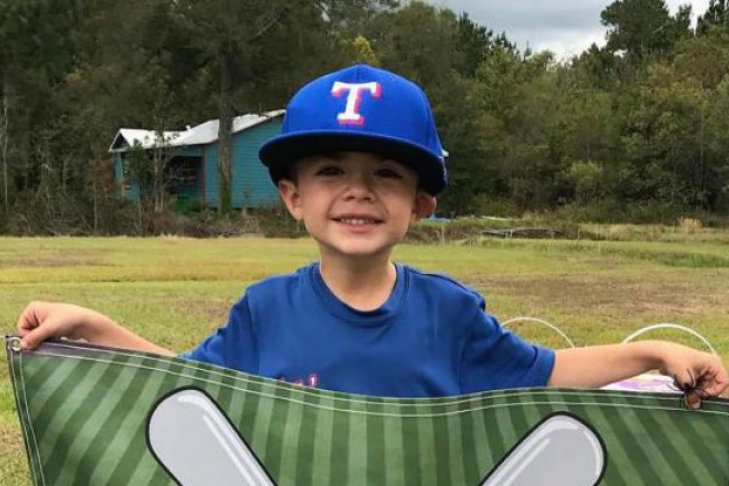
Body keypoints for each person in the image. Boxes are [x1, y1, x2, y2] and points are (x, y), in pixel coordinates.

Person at [16, 64, 728, 405]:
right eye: (331, 170)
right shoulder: (264, 312)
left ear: (419, 203)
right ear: (293, 197)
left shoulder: (451, 314)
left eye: (386, 174)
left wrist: (652, 352)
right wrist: (96, 327)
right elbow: (184, 383)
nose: (357, 190)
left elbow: (546, 373)